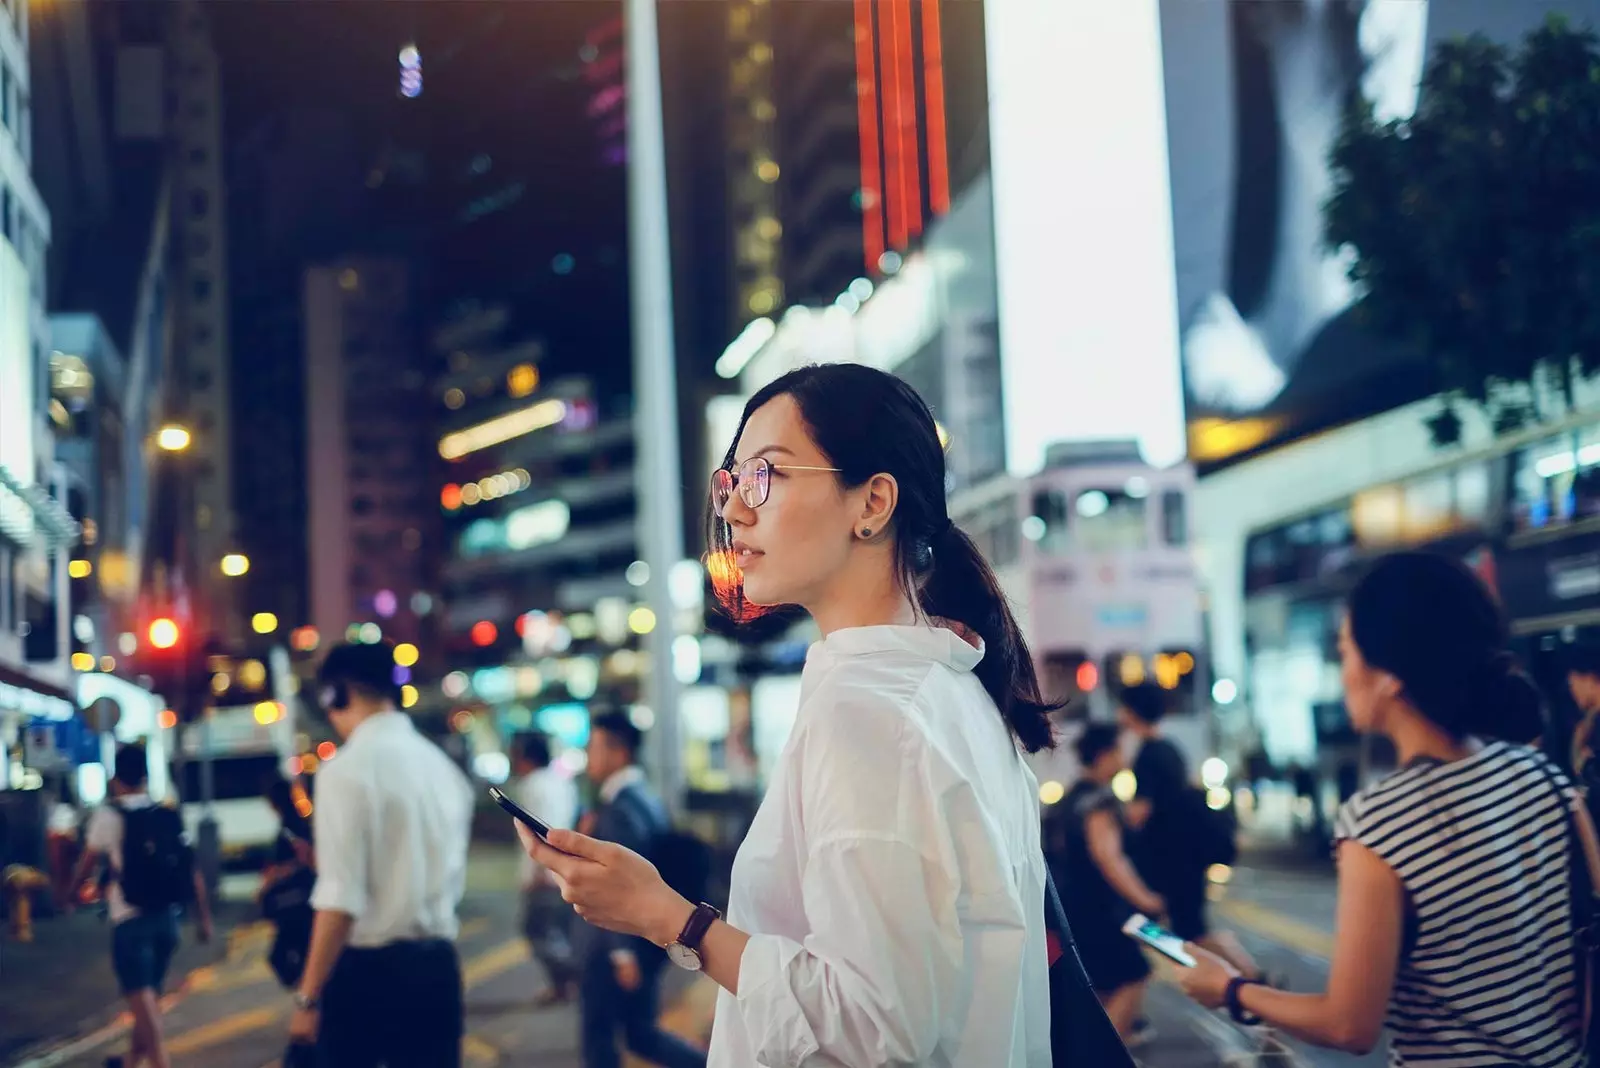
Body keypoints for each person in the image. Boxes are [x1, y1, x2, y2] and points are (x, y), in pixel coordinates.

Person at [518, 363, 1057, 1066]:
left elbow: (871, 1029)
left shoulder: (872, 713)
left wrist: (666, 917)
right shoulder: (951, 690)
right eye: (733, 482)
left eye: (767, 475)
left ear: (872, 503)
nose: (737, 510)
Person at [1177, 551, 1584, 1064]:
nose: (1342, 671)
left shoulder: (1380, 823)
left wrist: (1231, 990)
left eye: (1346, 653)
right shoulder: (1542, 776)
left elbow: (1349, 1024)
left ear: (1390, 677)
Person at [287, 641, 476, 1068]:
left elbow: (340, 901)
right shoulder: (442, 768)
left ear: (334, 694)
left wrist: (307, 997)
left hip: (368, 978)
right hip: (438, 972)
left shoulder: (345, 771)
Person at [570, 711, 706, 1068]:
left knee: (601, 1040)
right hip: (642, 941)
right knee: (639, 1032)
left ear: (619, 753)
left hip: (612, 947)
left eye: (594, 748)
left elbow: (617, 889)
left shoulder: (620, 808)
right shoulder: (645, 797)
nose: (588, 756)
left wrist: (623, 955)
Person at [73, 744, 212, 1068]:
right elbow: (191, 870)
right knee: (147, 1004)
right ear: (146, 776)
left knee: (145, 1007)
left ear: (115, 778)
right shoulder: (165, 814)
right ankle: (130, 1062)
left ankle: (160, 1063)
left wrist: (67, 894)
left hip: (130, 923)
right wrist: (203, 919)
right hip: (167, 922)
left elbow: (86, 864)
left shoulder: (108, 816)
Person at [1118, 682, 1257, 979]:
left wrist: (1113, 819)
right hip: (1183, 858)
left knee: (1176, 930)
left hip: (1172, 861)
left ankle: (1251, 980)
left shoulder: (1148, 755)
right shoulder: (1169, 749)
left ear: (1132, 712)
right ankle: (1241, 978)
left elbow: (1140, 812)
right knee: (1176, 928)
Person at [1046, 724, 1162, 1041]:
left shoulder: (1071, 799)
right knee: (1135, 974)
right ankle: (1104, 1054)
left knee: (1099, 989)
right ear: (1104, 754)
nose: (1124, 758)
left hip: (1071, 907)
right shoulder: (1099, 801)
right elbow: (1109, 858)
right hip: (1097, 910)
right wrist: (1146, 899)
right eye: (1119, 750)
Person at [511, 731, 580, 1006]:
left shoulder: (532, 786)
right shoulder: (563, 783)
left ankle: (574, 976)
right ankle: (563, 986)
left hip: (544, 875)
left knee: (535, 930)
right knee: (558, 931)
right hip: (565, 870)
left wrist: (531, 875)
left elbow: (534, 835)